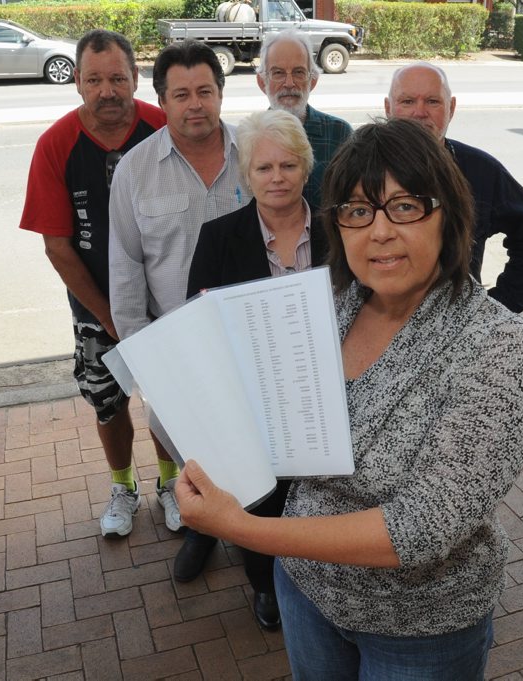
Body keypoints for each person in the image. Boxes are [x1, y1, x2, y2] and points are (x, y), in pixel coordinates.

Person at [175, 118, 523, 679]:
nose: (379, 232)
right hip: (304, 592)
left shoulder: (496, 346)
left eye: (404, 207)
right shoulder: (331, 308)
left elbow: (422, 527)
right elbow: (283, 429)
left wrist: (239, 527)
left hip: (420, 628)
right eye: (357, 210)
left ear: (450, 215)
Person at [19, 30, 170, 539]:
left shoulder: (163, 127)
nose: (108, 91)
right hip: (95, 306)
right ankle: (122, 486)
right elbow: (58, 247)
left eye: (118, 78)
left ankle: (170, 484)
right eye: (95, 80)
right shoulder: (56, 145)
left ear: (135, 79)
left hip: (164, 300)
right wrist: (110, 316)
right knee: (109, 402)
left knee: (170, 397)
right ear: (78, 83)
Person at [182, 109, 327, 630]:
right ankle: (265, 587)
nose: (277, 178)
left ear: (306, 169)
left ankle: (326, 582)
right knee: (264, 499)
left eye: (288, 165)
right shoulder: (218, 237)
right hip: (253, 402)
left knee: (324, 494)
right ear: (246, 175)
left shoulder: (340, 230)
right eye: (263, 168)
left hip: (327, 394)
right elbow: (195, 323)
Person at [107, 40, 245, 565]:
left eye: (205, 92)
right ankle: (203, 531)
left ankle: (260, 552)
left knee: (256, 448)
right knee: (192, 448)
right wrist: (145, 356)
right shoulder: (135, 172)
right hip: (175, 342)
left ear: (221, 94)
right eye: (181, 94)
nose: (195, 105)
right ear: (161, 101)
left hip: (248, 338)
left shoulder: (254, 155)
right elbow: (125, 270)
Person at [385, 62, 523, 313]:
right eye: (407, 101)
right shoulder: (361, 168)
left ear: (451, 108)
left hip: (457, 333)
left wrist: (499, 306)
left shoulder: (480, 170)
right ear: (388, 108)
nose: (419, 112)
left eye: (432, 101)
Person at [257, 29, 353, 209]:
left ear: (313, 80)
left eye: (298, 72)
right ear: (262, 82)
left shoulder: (340, 134)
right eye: (278, 73)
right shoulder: (249, 138)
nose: (289, 83)